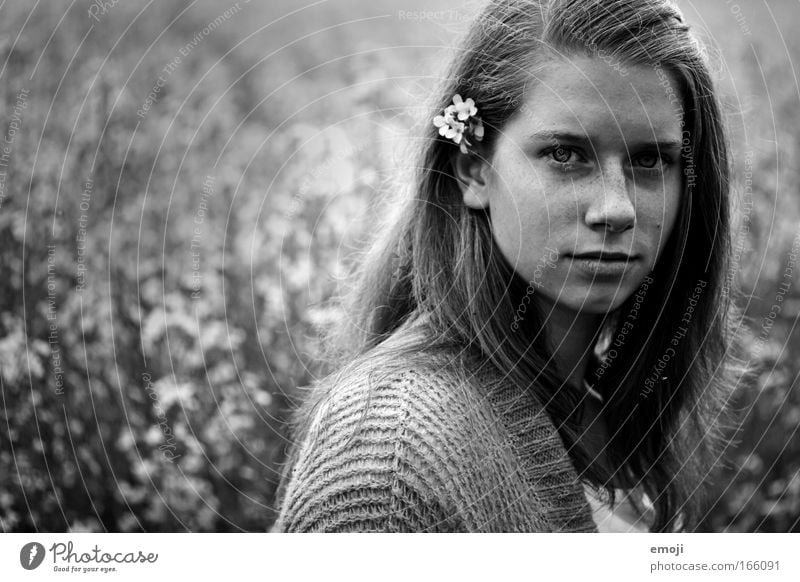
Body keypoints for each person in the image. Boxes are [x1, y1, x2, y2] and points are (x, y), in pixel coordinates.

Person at [271, 0, 741, 533]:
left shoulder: (607, 401)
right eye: (566, 155)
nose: (617, 208)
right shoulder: (390, 458)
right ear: (474, 170)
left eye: (650, 159)